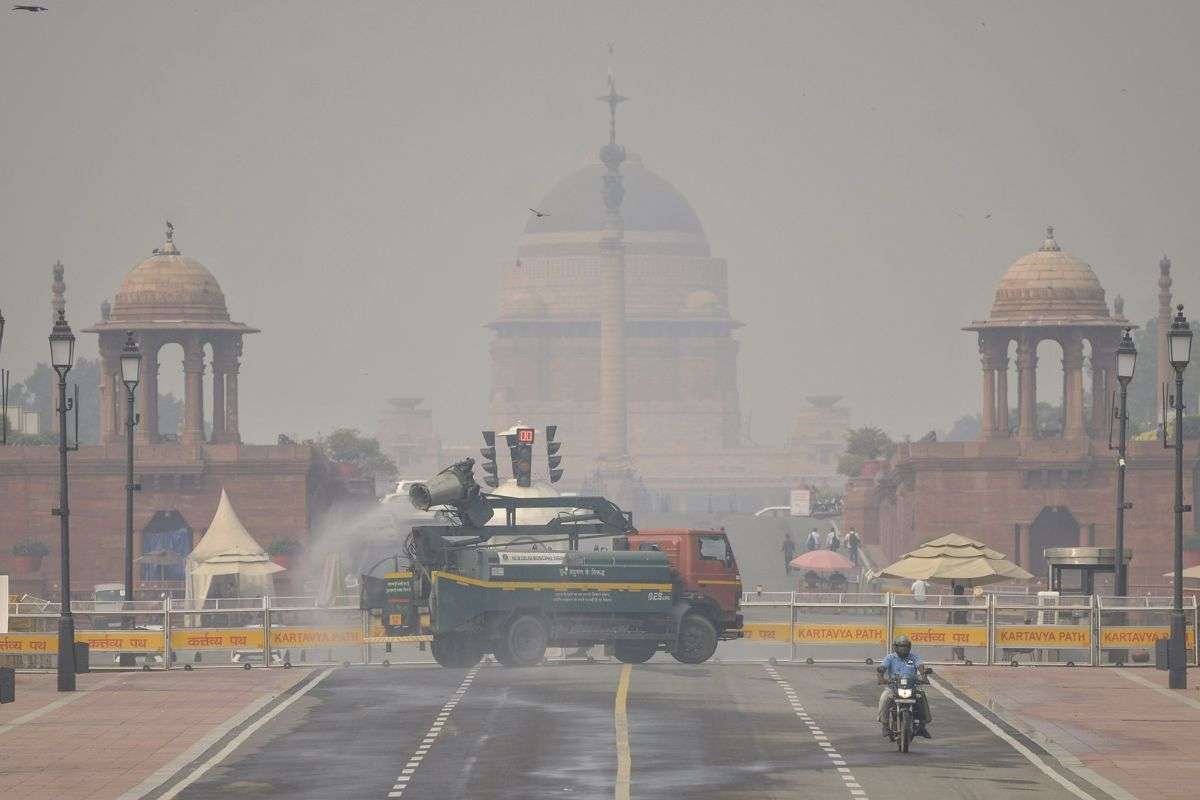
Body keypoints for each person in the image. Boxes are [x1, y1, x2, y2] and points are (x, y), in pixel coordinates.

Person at [876, 634, 932, 738]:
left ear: (909, 647)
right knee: (884, 698)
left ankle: (922, 726)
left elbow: (920, 667)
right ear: (896, 647)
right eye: (901, 646)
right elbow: (882, 668)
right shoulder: (890, 657)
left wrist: (924, 677)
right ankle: (885, 726)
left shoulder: (915, 657)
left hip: (911, 687)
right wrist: (881, 678)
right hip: (893, 688)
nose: (904, 649)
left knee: (921, 697)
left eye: (906, 646)